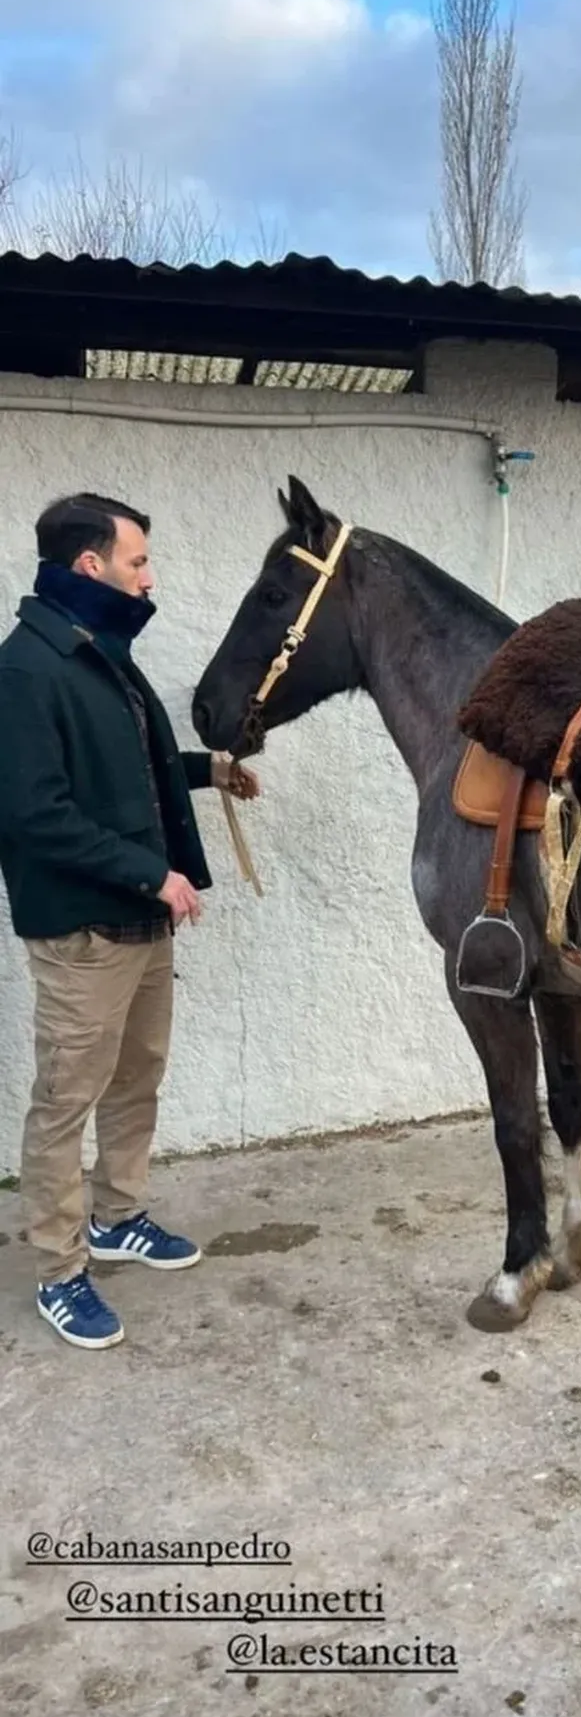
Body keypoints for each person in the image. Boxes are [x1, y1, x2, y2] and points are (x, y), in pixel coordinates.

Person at [0, 492, 259, 1350]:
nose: (149, 577)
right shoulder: (26, 671)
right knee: (64, 1102)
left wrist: (207, 771)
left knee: (135, 1079)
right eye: (138, 561)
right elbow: (36, 815)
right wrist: (154, 874)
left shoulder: (99, 653)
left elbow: (132, 771)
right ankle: (59, 1269)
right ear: (90, 565)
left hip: (139, 923)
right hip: (83, 932)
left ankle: (117, 1218)